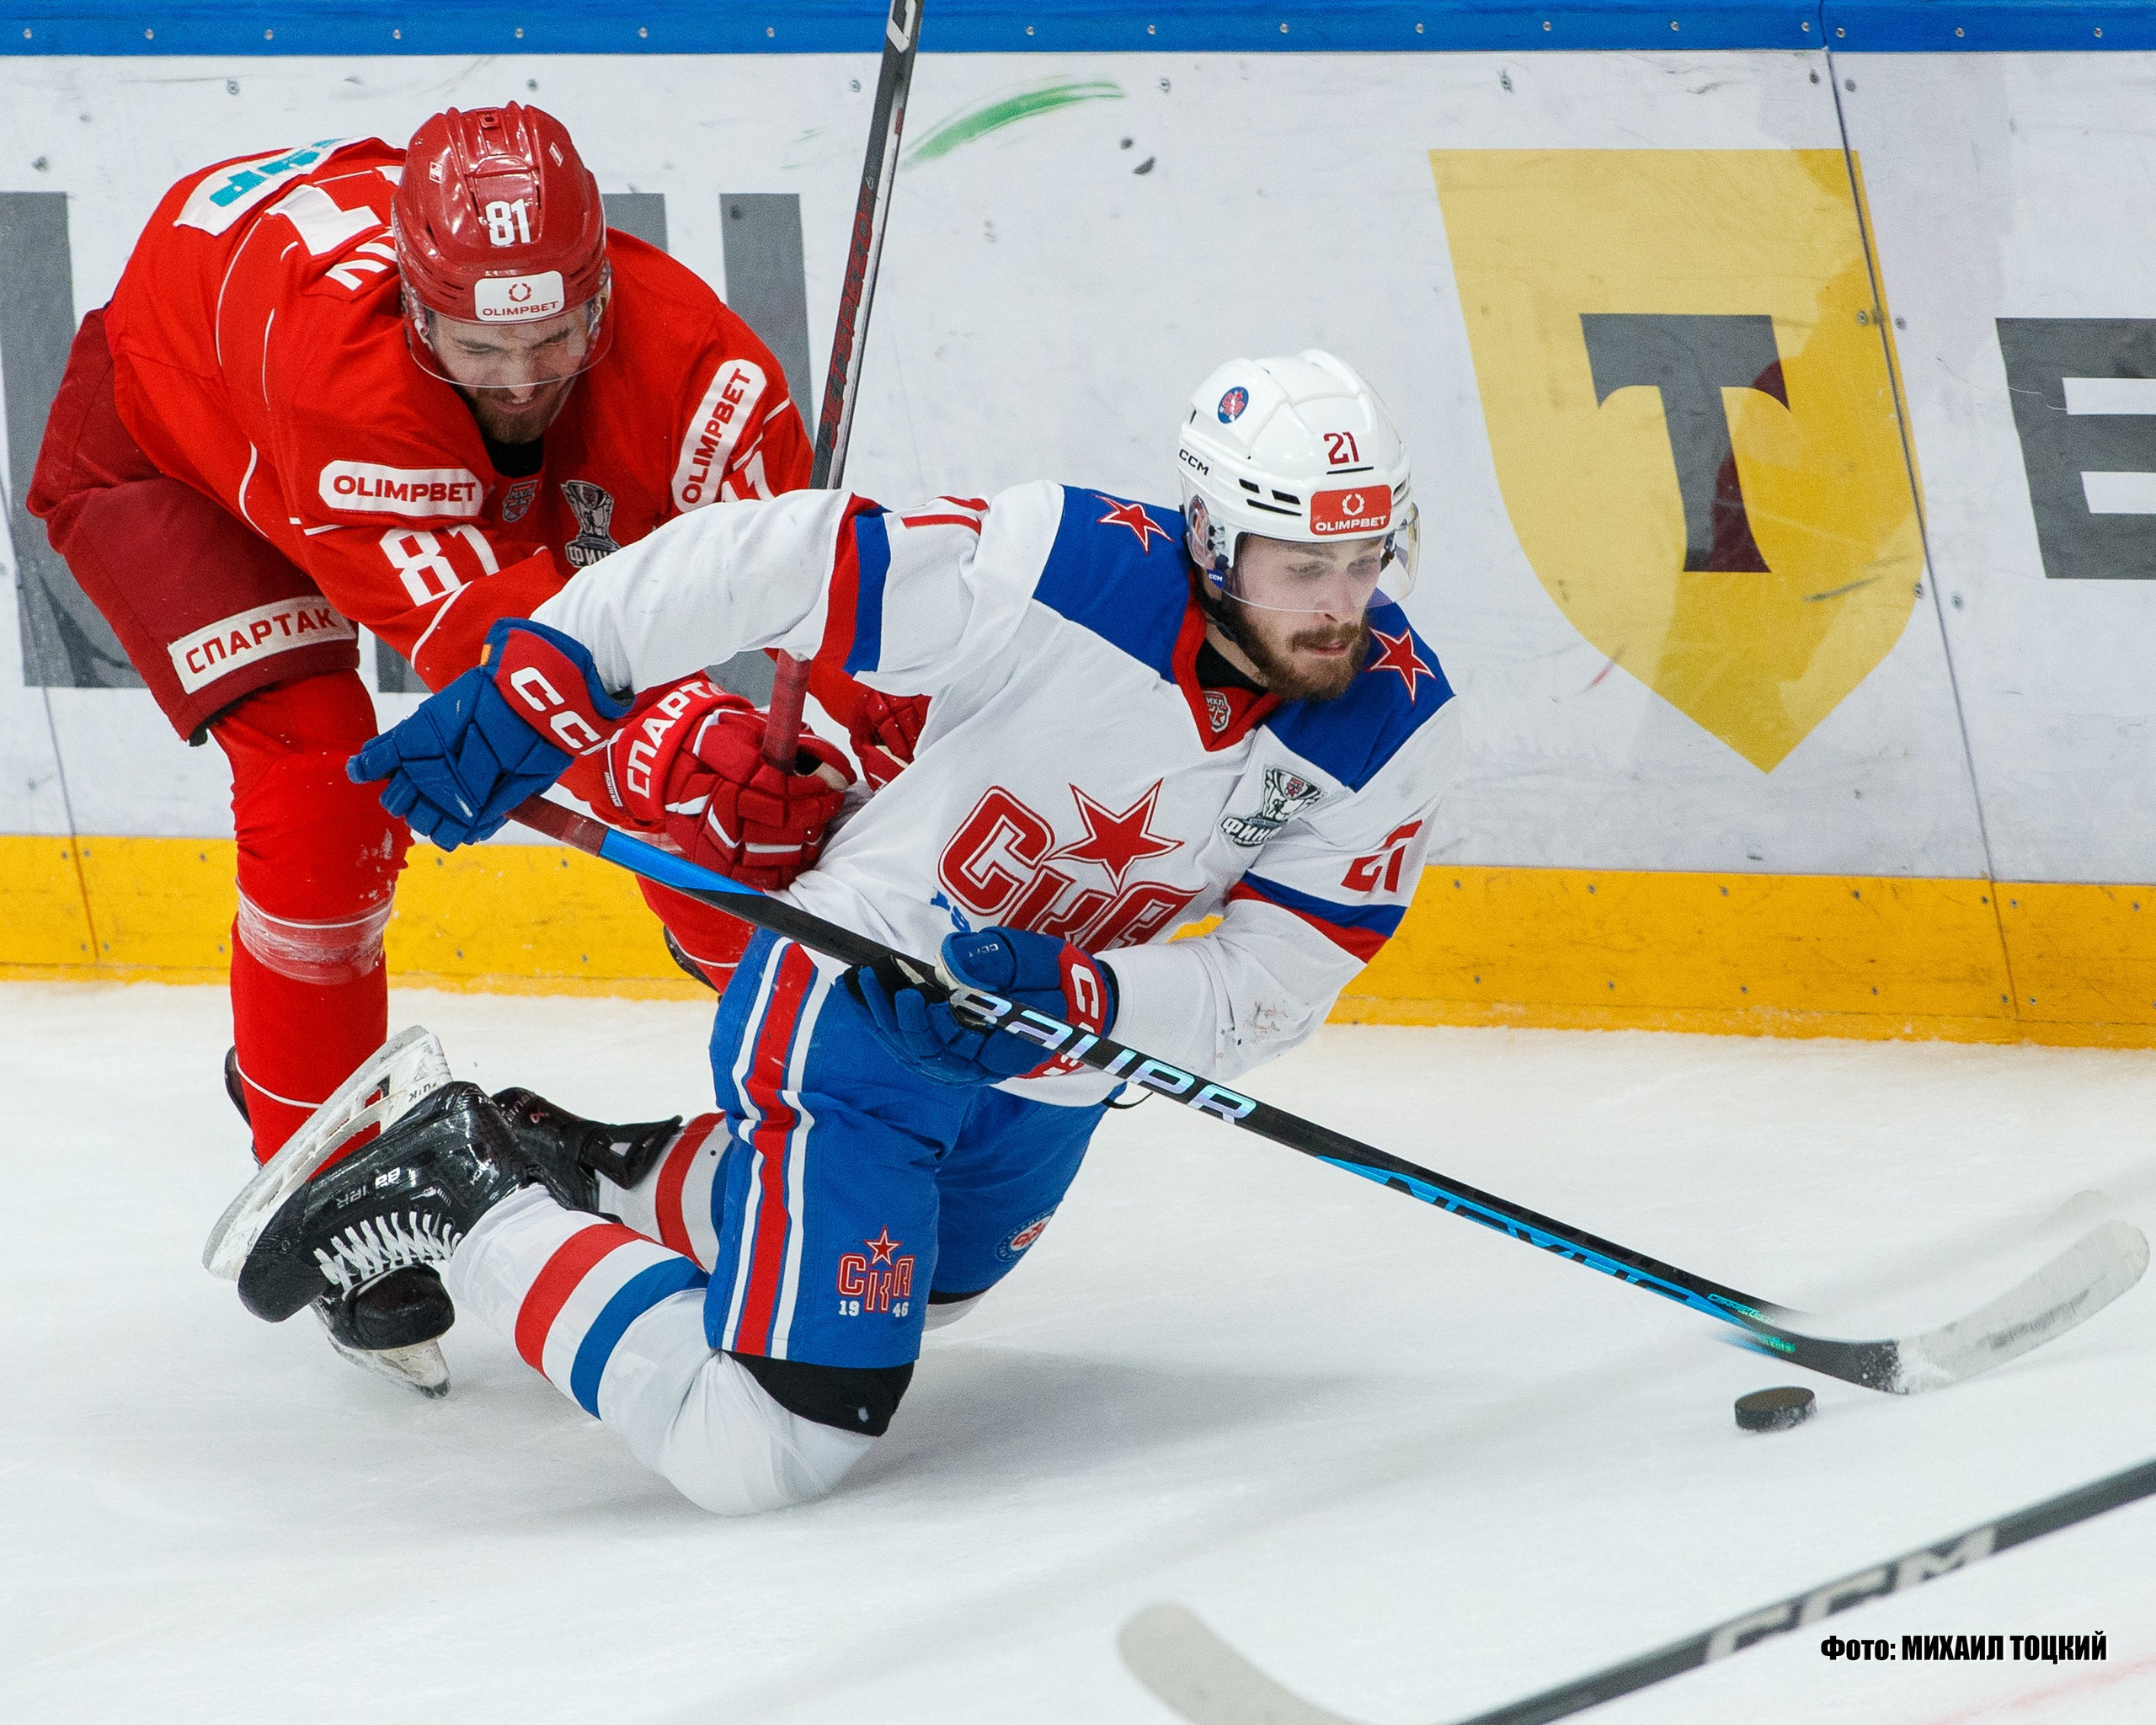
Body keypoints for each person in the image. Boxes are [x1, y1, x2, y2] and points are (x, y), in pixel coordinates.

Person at [224, 350, 1461, 1510]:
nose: (1339, 607)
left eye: (1366, 560)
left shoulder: (1395, 723)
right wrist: (554, 670)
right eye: (1302, 566)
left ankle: (585, 1168)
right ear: (1212, 538)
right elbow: (781, 562)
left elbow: (1274, 986)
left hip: (1052, 1062)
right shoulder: (1067, 569)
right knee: (770, 1443)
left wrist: (1091, 1007)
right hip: (862, 1000)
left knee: (936, 1286)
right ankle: (467, 1191)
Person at [25, 105, 914, 1391]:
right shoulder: (340, 377)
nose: (521, 379)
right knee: (320, 788)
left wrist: (844, 767)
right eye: (482, 345)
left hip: (418, 476)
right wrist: (685, 764)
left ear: (600, 288)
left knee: (756, 799)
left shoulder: (699, 370)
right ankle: (324, 1162)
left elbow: (833, 613)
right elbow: (508, 674)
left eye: (555, 336)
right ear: (410, 305)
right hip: (181, 454)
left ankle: (840, 1080)